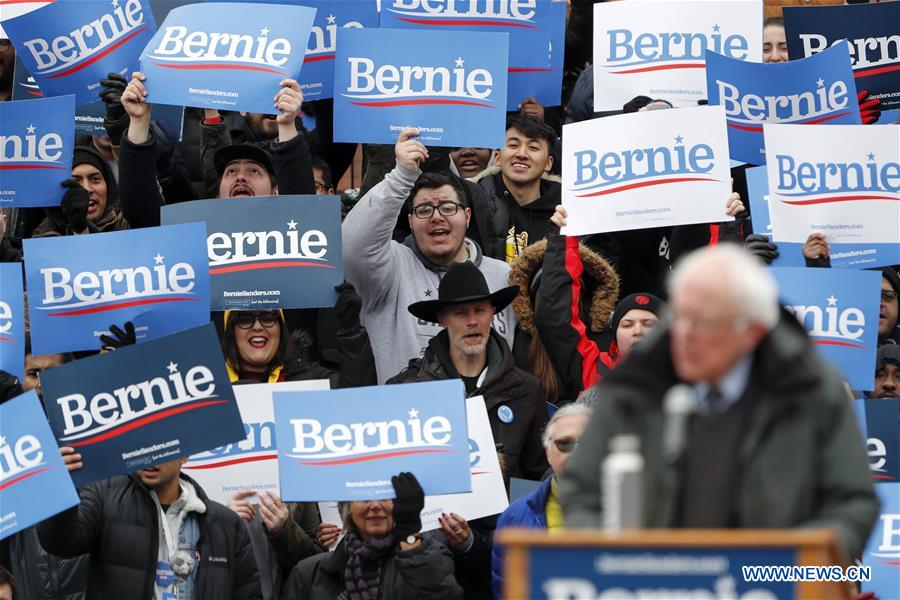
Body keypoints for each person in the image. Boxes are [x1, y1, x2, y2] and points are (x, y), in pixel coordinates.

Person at [560, 244, 879, 560]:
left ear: (751, 331)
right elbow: (581, 489)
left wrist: (793, 564)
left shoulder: (810, 390)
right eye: (680, 316)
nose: (685, 334)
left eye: (705, 321)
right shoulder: (634, 386)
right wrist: (615, 562)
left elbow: (852, 502)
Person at [342, 129, 517, 383]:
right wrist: (401, 176)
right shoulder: (391, 268)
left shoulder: (503, 275)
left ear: (467, 217)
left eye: (448, 207)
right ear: (411, 221)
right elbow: (352, 245)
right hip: (409, 416)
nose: (437, 217)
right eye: (424, 209)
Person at [388, 261, 549, 481]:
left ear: (492, 313)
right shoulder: (406, 390)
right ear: (443, 320)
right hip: (435, 514)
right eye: (461, 313)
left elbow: (537, 477)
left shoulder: (528, 390)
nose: (472, 321)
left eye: (480, 311)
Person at [39, 452, 261, 599]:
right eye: (142, 445)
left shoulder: (224, 524)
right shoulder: (104, 497)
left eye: (161, 445)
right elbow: (59, 543)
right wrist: (60, 491)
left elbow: (249, 593)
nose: (150, 456)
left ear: (184, 455)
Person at [115, 72, 315, 228]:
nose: (240, 178)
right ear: (217, 194)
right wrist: (139, 122)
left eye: (254, 171)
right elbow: (139, 213)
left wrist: (287, 124)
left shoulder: (292, 234)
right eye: (231, 172)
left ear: (276, 191)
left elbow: (302, 204)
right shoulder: (195, 235)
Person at [284, 473, 463, 599]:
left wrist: (409, 534)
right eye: (364, 497)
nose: (376, 505)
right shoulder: (308, 573)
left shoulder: (433, 556)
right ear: (348, 508)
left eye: (385, 496)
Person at [491, 403, 592, 598]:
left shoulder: (633, 509)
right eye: (565, 444)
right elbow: (506, 591)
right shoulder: (514, 516)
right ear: (548, 453)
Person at [507, 237, 619, 403]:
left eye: (569, 297)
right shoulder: (521, 344)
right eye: (550, 301)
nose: (562, 306)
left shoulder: (600, 342)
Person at [221, 286, 375, 388]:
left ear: (280, 330)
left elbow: (359, 403)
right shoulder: (210, 390)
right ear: (231, 333)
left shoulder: (312, 379)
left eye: (268, 318)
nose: (257, 327)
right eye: (245, 320)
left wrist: (351, 332)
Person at [473, 115, 559, 263]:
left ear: (548, 163)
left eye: (533, 148)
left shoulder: (566, 210)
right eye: (513, 145)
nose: (521, 154)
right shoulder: (474, 202)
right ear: (497, 158)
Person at [32, 146, 128, 237]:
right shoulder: (44, 238)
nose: (86, 189)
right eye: (75, 181)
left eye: (95, 179)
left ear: (108, 185)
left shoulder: (129, 225)